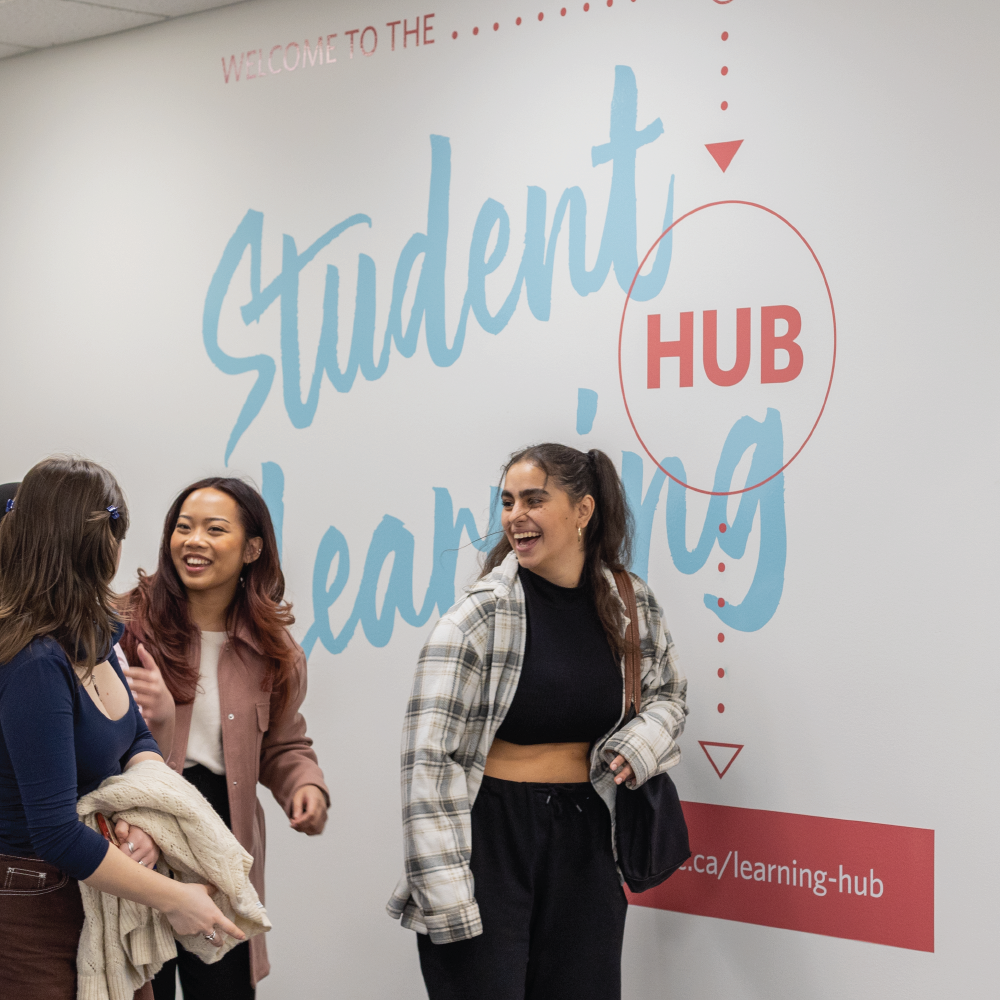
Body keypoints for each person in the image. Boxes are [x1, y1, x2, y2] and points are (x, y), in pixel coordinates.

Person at [388, 443, 688, 1000]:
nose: (514, 516)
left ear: (583, 510)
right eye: (507, 502)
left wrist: (639, 743)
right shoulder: (479, 616)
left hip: (587, 832)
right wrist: (447, 894)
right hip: (491, 837)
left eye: (533, 499)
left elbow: (667, 695)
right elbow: (428, 763)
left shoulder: (630, 600)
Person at [0, 457, 245, 1000]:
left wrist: (146, 819)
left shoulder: (98, 634)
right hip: (31, 906)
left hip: (93, 888)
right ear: (100, 545)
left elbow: (135, 738)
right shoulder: (35, 664)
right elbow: (56, 833)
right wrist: (174, 898)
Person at [119, 477, 329, 1000]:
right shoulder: (125, 625)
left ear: (252, 549)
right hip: (139, 833)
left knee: (223, 987)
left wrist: (306, 786)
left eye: (215, 530)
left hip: (221, 838)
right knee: (142, 985)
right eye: (183, 528)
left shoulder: (275, 648)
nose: (194, 541)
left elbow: (283, 743)